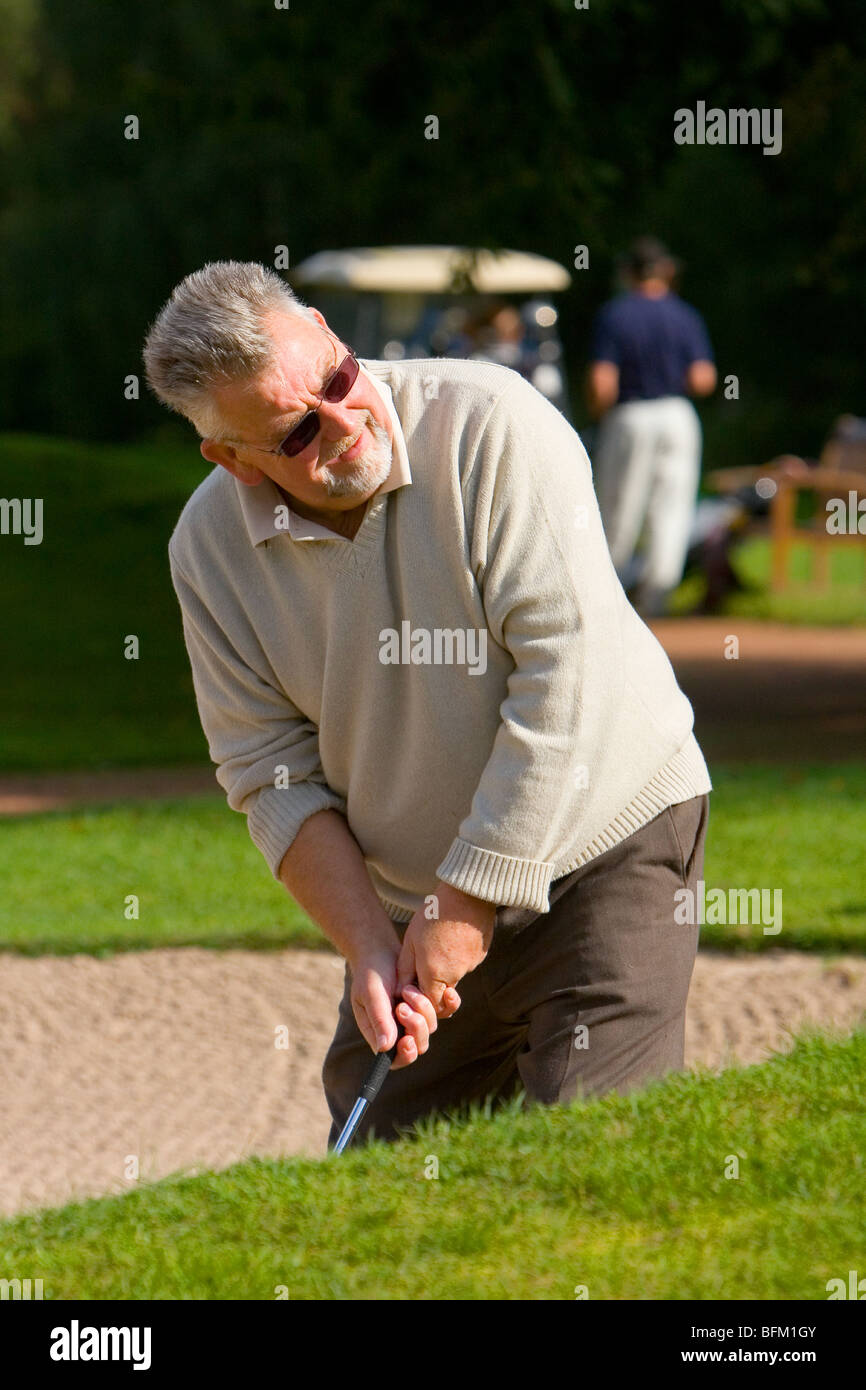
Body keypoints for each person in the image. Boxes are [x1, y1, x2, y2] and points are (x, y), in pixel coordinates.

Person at [143, 260, 711, 1148]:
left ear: (331, 334)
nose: (343, 421)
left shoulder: (494, 423)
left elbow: (567, 673)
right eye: (297, 432)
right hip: (419, 901)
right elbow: (268, 773)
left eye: (335, 379)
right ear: (230, 458)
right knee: (384, 1176)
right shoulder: (208, 552)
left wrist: (471, 898)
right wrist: (370, 945)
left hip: (608, 841)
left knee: (592, 1154)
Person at [586, 237, 717, 617]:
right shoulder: (686, 316)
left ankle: (609, 595)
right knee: (672, 506)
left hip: (631, 415)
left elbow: (602, 383)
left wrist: (598, 416)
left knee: (619, 506)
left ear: (629, 272)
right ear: (667, 271)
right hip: (678, 415)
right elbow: (703, 379)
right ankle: (657, 597)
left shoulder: (615, 314)